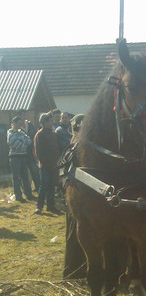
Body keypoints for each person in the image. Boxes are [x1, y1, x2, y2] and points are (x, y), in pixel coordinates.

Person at [62, 114, 86, 279]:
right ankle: (73, 271)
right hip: (76, 198)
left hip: (84, 197)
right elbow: (65, 174)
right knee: (74, 234)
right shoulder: (73, 148)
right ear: (77, 130)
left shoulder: (83, 146)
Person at [33, 113, 61, 215]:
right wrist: (45, 163)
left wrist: (56, 163)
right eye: (50, 121)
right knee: (43, 186)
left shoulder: (54, 135)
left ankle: (51, 206)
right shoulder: (39, 135)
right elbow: (39, 152)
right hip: (44, 166)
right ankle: (39, 206)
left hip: (54, 165)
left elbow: (57, 149)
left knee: (52, 186)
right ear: (45, 122)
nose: (52, 123)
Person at [6, 116, 34, 202]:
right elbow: (12, 143)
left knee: (25, 176)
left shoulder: (21, 133)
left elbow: (29, 140)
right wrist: (23, 143)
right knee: (16, 177)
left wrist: (21, 142)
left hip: (23, 156)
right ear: (14, 123)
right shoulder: (10, 133)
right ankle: (18, 195)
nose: (20, 125)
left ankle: (28, 194)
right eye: (19, 123)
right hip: (15, 157)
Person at [17, 111, 40, 192]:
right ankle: (26, 189)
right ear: (19, 116)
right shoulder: (17, 128)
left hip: (31, 151)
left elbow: (35, 134)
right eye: (22, 114)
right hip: (21, 153)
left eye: (25, 114)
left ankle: (37, 187)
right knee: (23, 173)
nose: (24, 116)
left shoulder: (29, 124)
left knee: (34, 170)